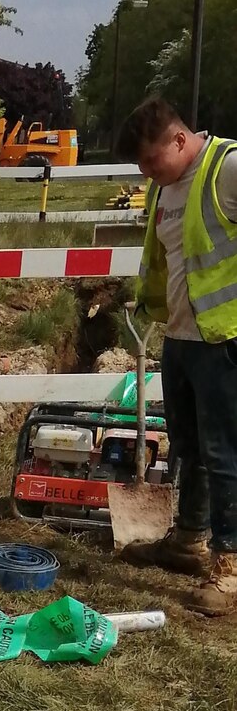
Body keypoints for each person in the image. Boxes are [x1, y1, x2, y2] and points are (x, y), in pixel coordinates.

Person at [120, 96, 237, 613]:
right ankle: (189, 540)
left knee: (226, 454)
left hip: (224, 342)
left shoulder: (227, 169)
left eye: (151, 161)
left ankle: (229, 567)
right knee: (188, 445)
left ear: (179, 139)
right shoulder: (164, 190)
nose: (147, 172)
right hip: (183, 339)